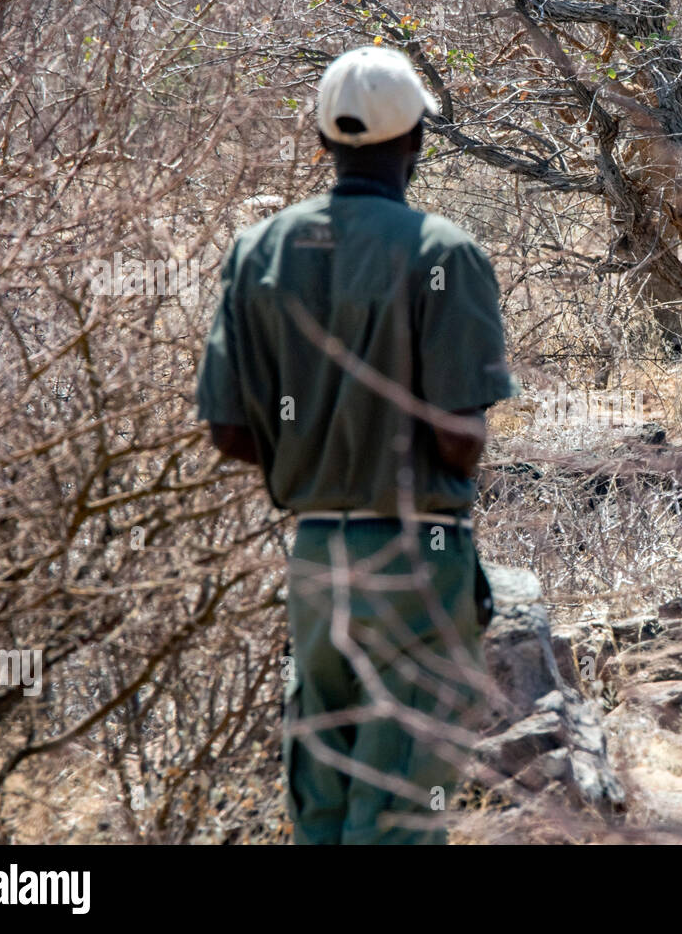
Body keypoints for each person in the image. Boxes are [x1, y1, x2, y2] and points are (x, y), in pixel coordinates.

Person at [195, 46, 519, 844]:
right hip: (418, 558)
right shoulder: (443, 253)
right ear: (416, 142)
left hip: (316, 560)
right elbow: (457, 436)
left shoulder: (258, 252)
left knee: (328, 804)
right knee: (401, 808)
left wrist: (315, 458)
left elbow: (228, 428)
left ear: (321, 140)